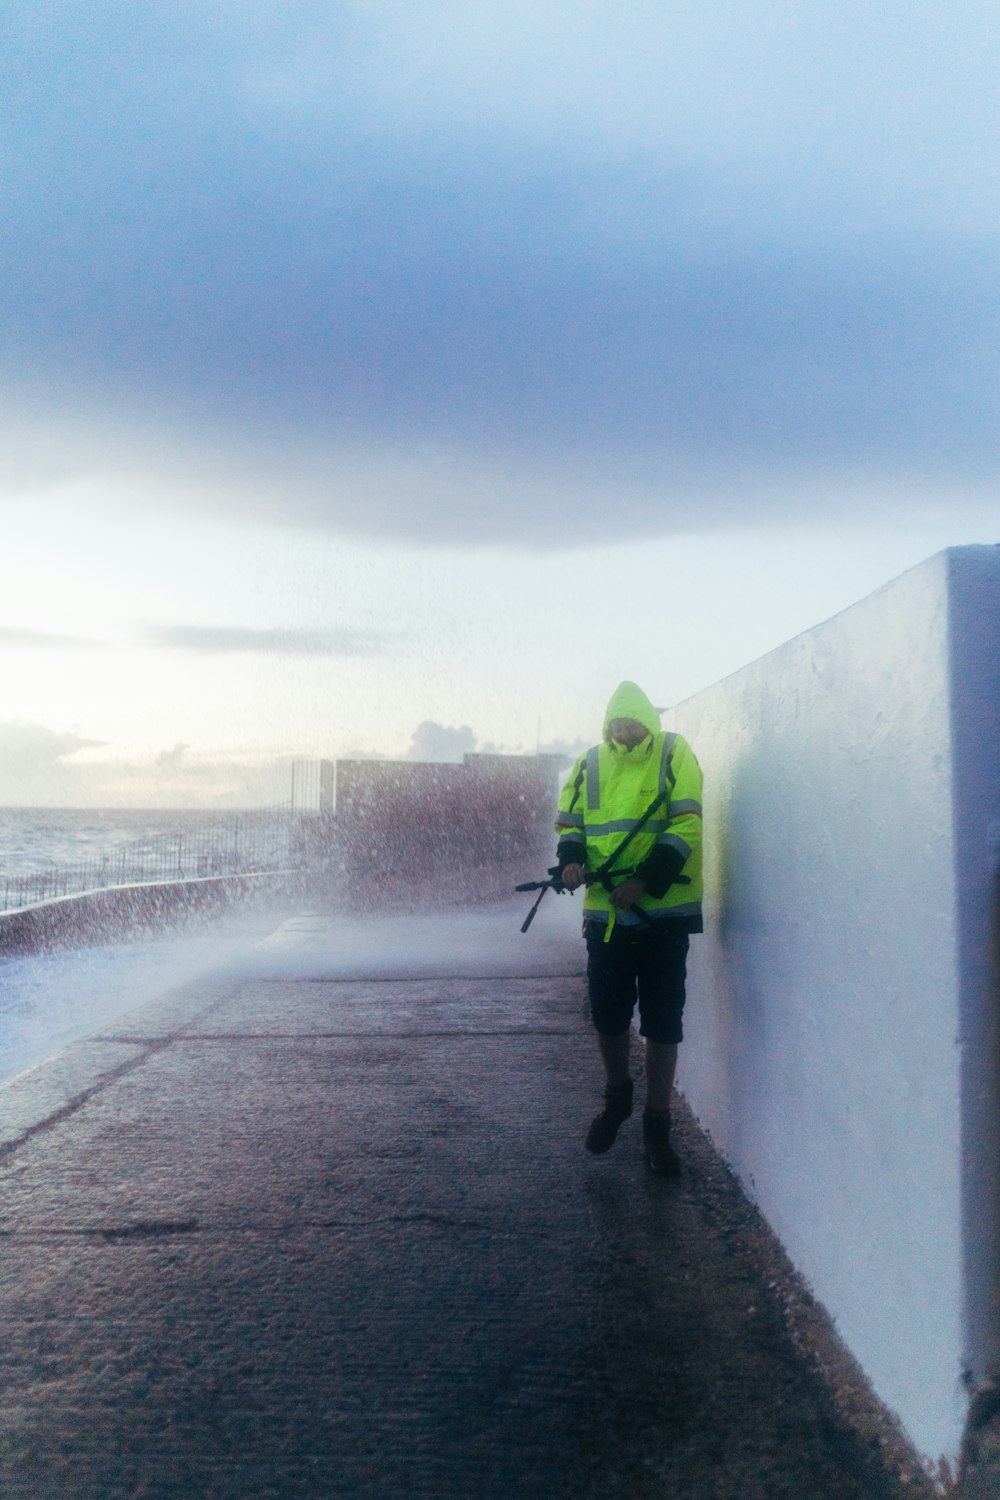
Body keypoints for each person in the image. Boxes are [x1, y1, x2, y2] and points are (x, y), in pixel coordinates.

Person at [554, 681, 703, 1175]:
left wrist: (645, 880)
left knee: (663, 1023)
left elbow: (687, 824)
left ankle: (657, 1127)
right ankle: (618, 1096)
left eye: (633, 722)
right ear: (608, 724)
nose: (625, 730)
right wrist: (572, 862)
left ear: (648, 722)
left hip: (663, 915)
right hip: (606, 917)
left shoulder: (674, 753)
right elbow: (571, 824)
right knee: (609, 1015)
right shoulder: (589, 763)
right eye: (617, 723)